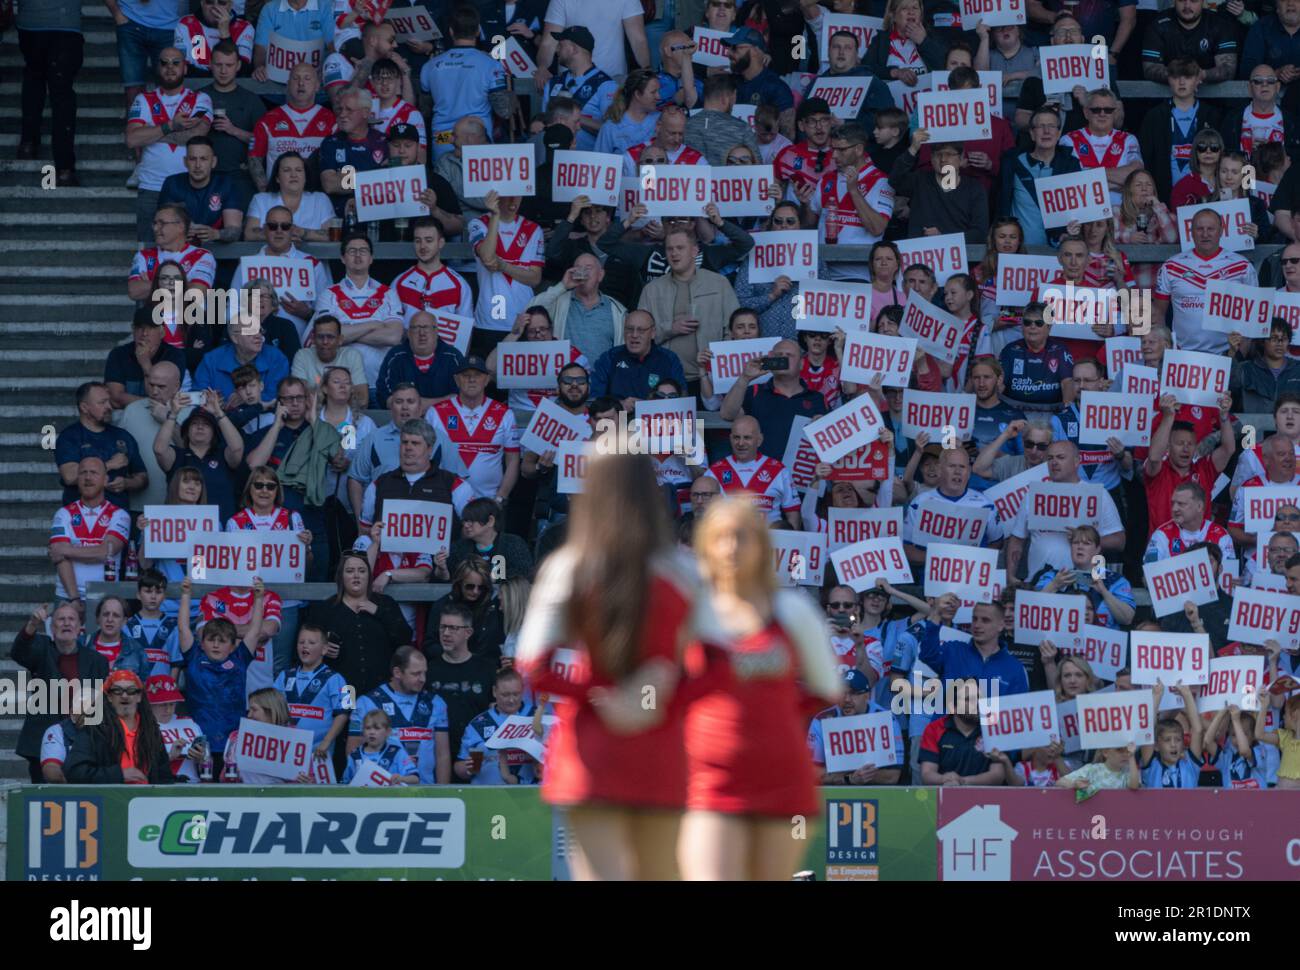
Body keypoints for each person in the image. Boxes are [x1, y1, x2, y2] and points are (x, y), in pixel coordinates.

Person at [516, 449, 700, 881]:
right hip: (661, 750)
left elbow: (532, 664)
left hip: (589, 752)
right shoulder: (683, 571)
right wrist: (665, 683)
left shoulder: (568, 568)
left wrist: (595, 695)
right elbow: (716, 666)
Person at [677, 497, 840, 880]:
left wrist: (773, 712)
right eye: (721, 538)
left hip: (782, 778)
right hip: (710, 779)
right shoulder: (687, 614)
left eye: (743, 537)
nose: (732, 548)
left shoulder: (793, 612)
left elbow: (827, 688)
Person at [10, 602, 109, 782]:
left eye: (72, 619)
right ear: (52, 627)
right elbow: (18, 652)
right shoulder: (42, 649)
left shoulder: (97, 661)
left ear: (80, 627)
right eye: (61, 619)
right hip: (43, 738)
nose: (66, 623)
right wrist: (32, 624)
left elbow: (101, 703)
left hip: (82, 739)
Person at [125, 48, 213, 245]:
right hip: (151, 187)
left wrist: (152, 133)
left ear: (185, 67)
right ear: (158, 67)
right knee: (148, 249)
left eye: (175, 63)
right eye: (164, 63)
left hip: (188, 187)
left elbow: (196, 135)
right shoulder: (143, 99)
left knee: (188, 249)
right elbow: (132, 139)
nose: (170, 68)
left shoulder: (201, 99)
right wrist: (170, 126)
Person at [637, 223, 740, 390]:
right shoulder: (651, 289)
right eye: (670, 249)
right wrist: (670, 329)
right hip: (665, 381)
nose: (674, 253)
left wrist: (718, 363)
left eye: (680, 248)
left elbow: (734, 330)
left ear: (694, 251)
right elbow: (639, 335)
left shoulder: (719, 283)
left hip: (712, 378)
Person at [1007, 440, 1125, 583]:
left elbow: (1119, 541)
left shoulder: (1098, 494)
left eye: (1060, 457)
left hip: (1086, 584)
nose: (1054, 462)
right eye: (1050, 458)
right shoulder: (1034, 494)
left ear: (1076, 462)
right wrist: (1010, 576)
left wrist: (1083, 538)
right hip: (1039, 584)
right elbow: (1017, 539)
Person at [306, 552, 413, 696]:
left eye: (362, 571)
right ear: (341, 577)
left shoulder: (385, 603)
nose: (356, 575)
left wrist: (379, 612)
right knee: (345, 717)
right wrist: (321, 648)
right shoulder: (326, 609)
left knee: (378, 719)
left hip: (381, 690)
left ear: (369, 576)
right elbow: (305, 647)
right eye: (350, 571)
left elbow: (405, 638)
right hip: (344, 690)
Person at [311, 234, 405, 391]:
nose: (358, 255)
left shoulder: (388, 293)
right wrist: (373, 324)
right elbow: (327, 337)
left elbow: (394, 337)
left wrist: (347, 331)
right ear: (342, 258)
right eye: (352, 250)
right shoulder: (329, 294)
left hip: (380, 381)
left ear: (371, 258)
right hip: (340, 386)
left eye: (363, 250)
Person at [348, 644, 451, 784]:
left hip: (426, 792)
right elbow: (353, 750)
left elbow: (442, 755)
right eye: (416, 674)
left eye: (424, 673)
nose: (423, 679)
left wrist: (443, 794)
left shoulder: (435, 703)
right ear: (397, 672)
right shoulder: (366, 702)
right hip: (381, 793)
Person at [802, 123, 892, 282]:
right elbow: (810, 224)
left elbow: (877, 228)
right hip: (821, 272)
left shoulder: (880, 181)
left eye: (841, 150)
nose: (834, 156)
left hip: (858, 274)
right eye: (833, 149)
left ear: (858, 149)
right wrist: (804, 203)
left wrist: (853, 191)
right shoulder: (826, 179)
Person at [419, 5, 511, 159]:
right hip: (476, 137)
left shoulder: (430, 66)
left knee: (445, 181)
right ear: (477, 31)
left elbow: (425, 111)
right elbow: (504, 110)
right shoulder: (490, 65)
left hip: (443, 138)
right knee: (479, 182)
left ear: (451, 31)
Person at [719, 338, 827, 461]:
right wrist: (745, 378)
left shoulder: (816, 398)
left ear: (802, 363)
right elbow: (727, 414)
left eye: (789, 355)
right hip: (762, 473)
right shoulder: (754, 391)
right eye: (778, 355)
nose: (783, 358)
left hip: (800, 473)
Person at [1144, 394, 1235, 535]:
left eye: (1190, 444)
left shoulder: (1204, 469)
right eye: (1180, 443)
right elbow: (1154, 456)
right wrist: (1168, 417)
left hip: (1199, 549)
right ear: (1168, 447)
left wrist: (1223, 416)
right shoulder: (1159, 472)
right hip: (1165, 550)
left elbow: (1228, 449)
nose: (1186, 448)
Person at [1135, 59, 1223, 205]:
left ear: (1198, 80)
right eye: (1176, 77)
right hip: (1164, 196)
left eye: (1188, 77)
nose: (1182, 82)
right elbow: (1146, 159)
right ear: (1169, 80)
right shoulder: (1155, 116)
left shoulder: (1212, 115)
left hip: (1205, 197)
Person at [16, 0, 84, 187]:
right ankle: (64, 169)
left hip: (31, 22)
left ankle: (28, 144)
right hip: (65, 25)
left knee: (33, 80)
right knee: (62, 96)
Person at [65, 670, 175, 784]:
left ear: (139, 697)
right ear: (109, 697)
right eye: (117, 691)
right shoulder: (94, 730)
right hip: (109, 799)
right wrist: (119, 775)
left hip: (144, 800)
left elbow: (164, 777)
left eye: (131, 691)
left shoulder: (151, 731)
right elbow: (74, 772)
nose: (125, 695)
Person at [469, 191, 545, 351]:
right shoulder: (478, 223)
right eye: (508, 194)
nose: (513, 199)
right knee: (489, 373)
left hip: (523, 320)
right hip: (489, 322)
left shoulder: (533, 229)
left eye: (518, 194)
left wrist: (503, 266)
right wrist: (495, 215)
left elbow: (535, 278)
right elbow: (488, 259)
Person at [50, 457, 133, 604]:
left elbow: (106, 552)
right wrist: (74, 598)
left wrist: (67, 550)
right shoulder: (63, 513)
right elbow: (60, 558)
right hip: (67, 597)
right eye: (83, 473)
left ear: (105, 479)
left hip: (106, 598)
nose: (88, 477)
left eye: (94, 472)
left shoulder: (120, 515)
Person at [246, 63, 337, 195]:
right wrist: (266, 192)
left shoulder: (331, 120)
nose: (301, 83)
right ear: (288, 85)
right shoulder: (269, 119)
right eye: (295, 78)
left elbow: (343, 161)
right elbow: (254, 158)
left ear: (317, 85)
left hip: (317, 197)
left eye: (307, 78)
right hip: (278, 197)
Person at [423, 600, 499, 755]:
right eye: (443, 627)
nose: (446, 633)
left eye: (453, 628)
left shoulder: (487, 669)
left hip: (477, 753)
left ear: (468, 633)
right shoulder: (428, 670)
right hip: (437, 753)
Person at [889, 131, 989, 244]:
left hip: (958, 257)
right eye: (938, 154)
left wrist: (944, 238)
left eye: (949, 154)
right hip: (921, 254)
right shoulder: (919, 180)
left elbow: (980, 233)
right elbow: (894, 180)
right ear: (931, 158)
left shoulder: (974, 188)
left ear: (961, 158)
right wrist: (913, 148)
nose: (943, 159)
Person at [154, 399, 243, 521]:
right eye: (195, 423)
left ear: (214, 432)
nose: (200, 427)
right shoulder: (177, 455)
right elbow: (159, 450)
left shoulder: (223, 455)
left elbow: (238, 449)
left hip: (221, 533)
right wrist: (173, 414)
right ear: (187, 430)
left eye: (206, 424)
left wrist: (219, 413)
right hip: (182, 530)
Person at [531, 252, 629, 363]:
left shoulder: (617, 310)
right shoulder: (560, 301)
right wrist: (562, 285)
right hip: (565, 378)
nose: (583, 272)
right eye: (578, 268)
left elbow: (623, 353)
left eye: (588, 267)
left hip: (602, 379)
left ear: (600, 275)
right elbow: (530, 312)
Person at [704, 416, 800, 528]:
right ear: (730, 439)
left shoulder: (779, 470)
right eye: (736, 437)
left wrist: (792, 542)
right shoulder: (714, 472)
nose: (740, 443)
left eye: (747, 438)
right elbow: (703, 514)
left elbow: (793, 514)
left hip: (771, 543)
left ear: (759, 440)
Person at [534, 0, 650, 91]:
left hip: (613, 81)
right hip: (572, 82)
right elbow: (548, 43)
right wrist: (542, 67)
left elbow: (638, 40)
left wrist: (647, 71)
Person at [1036, 525, 1137, 628]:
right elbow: (1031, 610)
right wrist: (1054, 585)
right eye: (1075, 543)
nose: (1080, 547)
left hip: (1100, 641)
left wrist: (1104, 592)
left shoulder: (1115, 580)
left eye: (1086, 543)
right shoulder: (1054, 576)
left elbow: (1127, 619)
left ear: (1098, 549)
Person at [1058, 88, 1143, 208]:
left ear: (1114, 113)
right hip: (1082, 215)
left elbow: (1136, 177)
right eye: (1096, 110)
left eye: (1108, 110)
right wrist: (1117, 183)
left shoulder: (1128, 139)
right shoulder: (1068, 140)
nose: (1102, 114)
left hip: (1121, 215)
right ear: (1086, 112)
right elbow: (1067, 181)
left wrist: (1087, 173)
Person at [918, 677, 1008, 786]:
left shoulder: (994, 727)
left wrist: (962, 781)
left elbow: (997, 775)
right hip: (945, 796)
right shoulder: (934, 729)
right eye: (968, 699)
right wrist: (944, 779)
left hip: (987, 799)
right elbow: (927, 774)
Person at [455, 667, 539, 784]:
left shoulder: (537, 718)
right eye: (505, 695)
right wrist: (467, 768)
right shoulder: (479, 724)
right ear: (494, 692)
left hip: (530, 796)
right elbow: (459, 766)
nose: (511, 700)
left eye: (516, 694)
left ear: (523, 690)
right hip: (489, 797)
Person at [204, 40, 263, 201]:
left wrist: (233, 130)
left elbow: (265, 141)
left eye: (229, 65)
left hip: (241, 177)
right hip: (203, 177)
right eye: (218, 65)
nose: (223, 70)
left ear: (238, 66)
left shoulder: (251, 100)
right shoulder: (199, 97)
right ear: (210, 64)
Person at [589, 310, 687, 407]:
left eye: (641, 330)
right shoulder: (609, 358)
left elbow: (683, 401)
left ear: (653, 333)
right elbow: (594, 400)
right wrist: (619, 405)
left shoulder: (669, 359)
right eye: (630, 329)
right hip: (620, 419)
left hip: (656, 419)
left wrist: (651, 406)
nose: (634, 335)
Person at [221, 687, 315, 784]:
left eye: (254, 709)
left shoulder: (297, 739)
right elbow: (223, 780)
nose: (249, 715)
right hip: (245, 796)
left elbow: (311, 782)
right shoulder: (238, 737)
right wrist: (231, 772)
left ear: (271, 711)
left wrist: (305, 781)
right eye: (249, 710)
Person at [393, 217, 473, 323]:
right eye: (418, 241)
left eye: (429, 240)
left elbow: (465, 334)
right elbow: (391, 327)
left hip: (444, 340)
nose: (422, 246)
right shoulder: (399, 283)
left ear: (441, 243)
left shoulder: (459, 284)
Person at [127, 204, 216, 299]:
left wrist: (154, 283)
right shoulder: (144, 255)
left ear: (180, 226)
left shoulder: (202, 256)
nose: (156, 228)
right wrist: (183, 283)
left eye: (162, 223)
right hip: (153, 313)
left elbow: (196, 293)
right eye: (155, 223)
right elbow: (133, 291)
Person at [244, 152, 336, 242]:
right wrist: (285, 235)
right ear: (277, 178)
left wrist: (302, 232)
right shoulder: (260, 200)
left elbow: (333, 235)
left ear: (305, 177)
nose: (293, 175)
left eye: (299, 170)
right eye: (287, 170)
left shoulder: (320, 200)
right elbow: (249, 234)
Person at [1141, 0, 1237, 82]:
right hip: (1167, 96)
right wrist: (1178, 74)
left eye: (1194, 0)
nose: (1187, 6)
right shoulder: (1158, 25)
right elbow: (1149, 68)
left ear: (1203, 2)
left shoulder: (1219, 24)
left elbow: (1228, 69)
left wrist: (1202, 75)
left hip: (1211, 98)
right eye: (1181, 0)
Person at [448, 497, 535, 580]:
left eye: (471, 520)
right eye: (465, 521)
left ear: (490, 521)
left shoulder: (513, 544)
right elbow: (451, 578)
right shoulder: (458, 548)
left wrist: (490, 579)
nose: (466, 525)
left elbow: (524, 574)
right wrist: (442, 569)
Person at [1138, 682, 1205, 788]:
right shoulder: (1152, 766)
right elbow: (1147, 732)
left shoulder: (1190, 764)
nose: (1173, 744)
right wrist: (1156, 697)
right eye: (1167, 740)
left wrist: (1187, 694)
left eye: (1178, 740)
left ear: (1183, 744)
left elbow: (1198, 730)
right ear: (1156, 746)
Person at [291, 316, 369, 408]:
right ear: (313, 339)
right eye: (320, 337)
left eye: (330, 337)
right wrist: (341, 396)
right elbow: (298, 397)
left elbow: (363, 400)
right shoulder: (302, 356)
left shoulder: (352, 355)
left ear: (340, 340)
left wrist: (318, 396)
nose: (325, 341)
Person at [684, 73, 761, 166]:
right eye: (733, 98)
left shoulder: (685, 126)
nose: (734, 103)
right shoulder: (741, 128)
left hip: (695, 180)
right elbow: (758, 166)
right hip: (732, 179)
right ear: (725, 99)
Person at [862, 0, 946, 84]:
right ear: (893, 16)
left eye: (915, 8)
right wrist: (895, 72)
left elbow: (945, 68)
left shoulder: (932, 37)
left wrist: (924, 42)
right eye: (904, 8)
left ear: (921, 15)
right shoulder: (880, 40)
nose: (911, 12)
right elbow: (865, 70)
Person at [1229, 318, 1300, 414]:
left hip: (1291, 428)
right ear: (1262, 342)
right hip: (1252, 428)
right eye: (1273, 338)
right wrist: (1231, 353)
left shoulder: (1297, 369)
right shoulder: (1245, 369)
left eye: (1284, 339)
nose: (1279, 343)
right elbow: (1228, 395)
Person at [251, 0, 335, 82]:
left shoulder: (324, 7)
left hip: (315, 82)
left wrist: (327, 71)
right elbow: (261, 48)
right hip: (275, 81)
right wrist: (260, 67)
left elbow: (332, 46)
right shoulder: (270, 9)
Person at [343, 708, 420, 784]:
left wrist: (402, 779)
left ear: (388, 732)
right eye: (368, 728)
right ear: (363, 731)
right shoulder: (355, 755)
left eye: (377, 728)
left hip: (391, 796)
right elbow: (345, 783)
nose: (372, 732)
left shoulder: (397, 752)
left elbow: (415, 778)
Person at [1169, 128, 1225, 210]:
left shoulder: (1228, 181)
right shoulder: (1183, 186)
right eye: (1202, 147)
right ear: (1195, 152)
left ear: (1221, 151)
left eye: (1214, 147)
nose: (1208, 151)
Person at [1056, 742, 1141, 793]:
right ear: (1105, 752)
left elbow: (1134, 786)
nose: (1126, 754)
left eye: (1128, 751)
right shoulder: (1092, 769)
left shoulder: (1129, 772)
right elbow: (1060, 782)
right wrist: (1074, 784)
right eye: (1119, 750)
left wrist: (1132, 756)